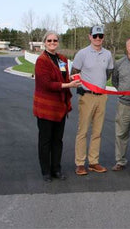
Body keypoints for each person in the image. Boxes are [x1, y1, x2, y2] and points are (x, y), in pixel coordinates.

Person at [33, 31, 81, 182]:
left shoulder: (62, 59)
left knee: (58, 140)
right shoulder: (42, 61)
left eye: (55, 40)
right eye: (49, 40)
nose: (52, 42)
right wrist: (68, 85)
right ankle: (46, 171)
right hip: (46, 108)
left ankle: (56, 169)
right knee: (45, 140)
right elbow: (46, 84)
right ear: (44, 42)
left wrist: (72, 78)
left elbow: (63, 77)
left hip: (60, 108)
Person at [71, 26, 114, 176]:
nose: (98, 39)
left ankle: (94, 161)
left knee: (97, 131)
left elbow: (108, 73)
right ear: (90, 37)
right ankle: (80, 163)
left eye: (100, 36)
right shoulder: (82, 54)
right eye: (95, 36)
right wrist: (84, 86)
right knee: (82, 131)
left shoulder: (108, 54)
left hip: (101, 97)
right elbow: (74, 73)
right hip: (86, 97)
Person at [111, 37, 130, 171]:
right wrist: (123, 92)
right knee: (121, 133)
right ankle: (120, 161)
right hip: (124, 104)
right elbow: (114, 81)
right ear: (126, 47)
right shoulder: (119, 63)